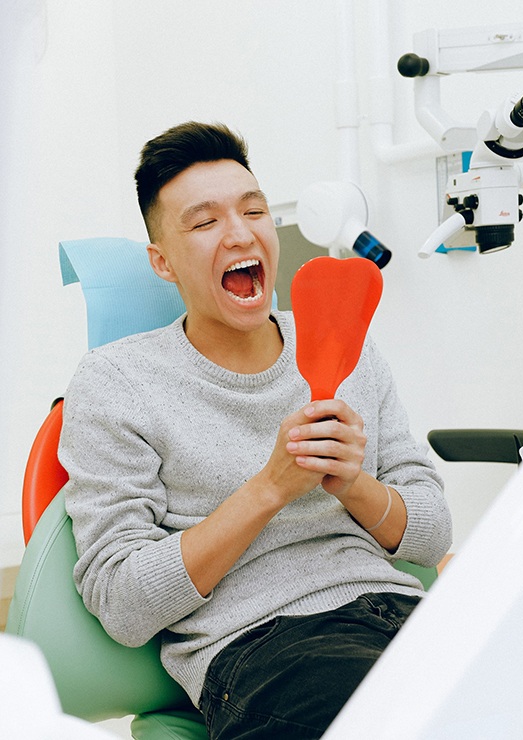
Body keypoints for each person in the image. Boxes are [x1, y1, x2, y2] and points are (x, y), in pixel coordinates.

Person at [59, 121, 452, 739]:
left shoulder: (346, 346)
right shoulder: (116, 382)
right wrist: (269, 487)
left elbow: (431, 536)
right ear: (162, 261)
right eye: (205, 221)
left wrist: (354, 485)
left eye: (254, 210)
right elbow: (123, 604)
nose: (241, 233)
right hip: (262, 647)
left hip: (402, 614)